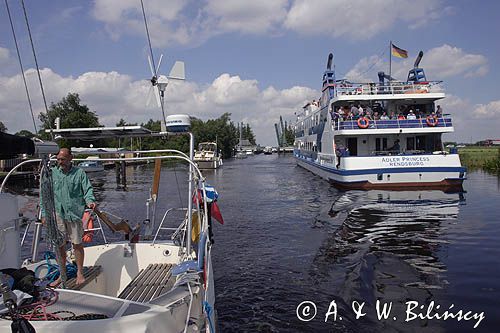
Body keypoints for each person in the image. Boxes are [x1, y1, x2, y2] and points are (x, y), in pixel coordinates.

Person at [41, 148, 96, 286]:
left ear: (70, 158)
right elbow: (44, 195)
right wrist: (44, 213)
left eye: (63, 159)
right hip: (58, 214)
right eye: (58, 159)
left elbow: (87, 189)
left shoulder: (79, 173)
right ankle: (62, 274)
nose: (60, 162)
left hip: (74, 214)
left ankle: (79, 273)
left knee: (77, 244)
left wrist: (90, 201)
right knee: (60, 246)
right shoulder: (52, 173)